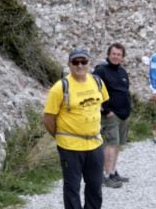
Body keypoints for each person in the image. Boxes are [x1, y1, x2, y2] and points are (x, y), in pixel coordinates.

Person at [43, 49, 109, 209]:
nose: (80, 65)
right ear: (69, 64)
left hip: (95, 144)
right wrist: (61, 136)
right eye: (75, 62)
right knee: (72, 187)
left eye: (83, 62)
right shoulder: (60, 88)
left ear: (89, 63)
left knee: (95, 186)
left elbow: (102, 104)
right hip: (70, 147)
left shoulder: (98, 82)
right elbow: (48, 118)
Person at [93, 43, 130, 188]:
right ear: (108, 55)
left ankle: (113, 172)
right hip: (110, 115)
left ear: (122, 57)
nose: (116, 57)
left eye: (119, 54)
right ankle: (106, 175)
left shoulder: (122, 72)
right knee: (110, 144)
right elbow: (95, 91)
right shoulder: (101, 70)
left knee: (117, 144)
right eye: (113, 54)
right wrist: (106, 111)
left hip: (123, 115)